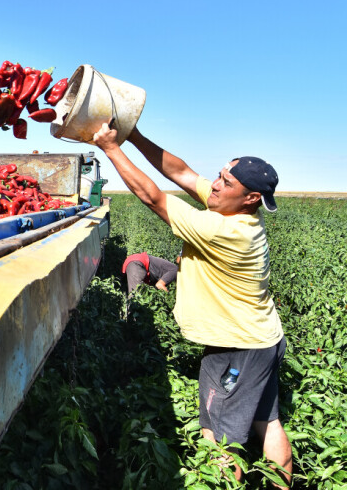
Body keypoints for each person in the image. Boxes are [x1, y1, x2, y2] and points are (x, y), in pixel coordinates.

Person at [93, 122, 292, 487]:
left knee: (217, 436)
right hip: (262, 338)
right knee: (269, 421)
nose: (215, 185)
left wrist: (111, 148)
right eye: (219, 175)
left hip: (238, 347)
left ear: (250, 199)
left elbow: (155, 198)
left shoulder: (226, 230)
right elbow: (181, 173)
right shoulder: (230, 207)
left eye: (226, 183)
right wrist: (133, 136)